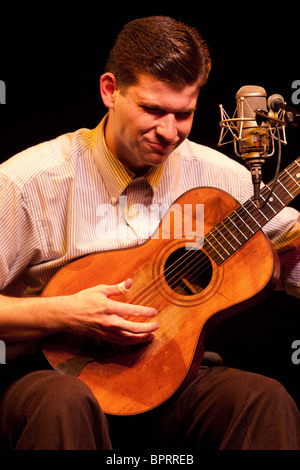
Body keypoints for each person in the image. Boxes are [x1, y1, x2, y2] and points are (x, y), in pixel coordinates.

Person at [0, 16, 299, 450]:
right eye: (152, 110)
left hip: (172, 382)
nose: (168, 131)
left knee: (261, 399)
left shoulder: (218, 179)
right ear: (109, 90)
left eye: (184, 114)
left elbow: (291, 259)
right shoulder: (28, 183)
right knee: (63, 402)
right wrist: (65, 313)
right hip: (54, 380)